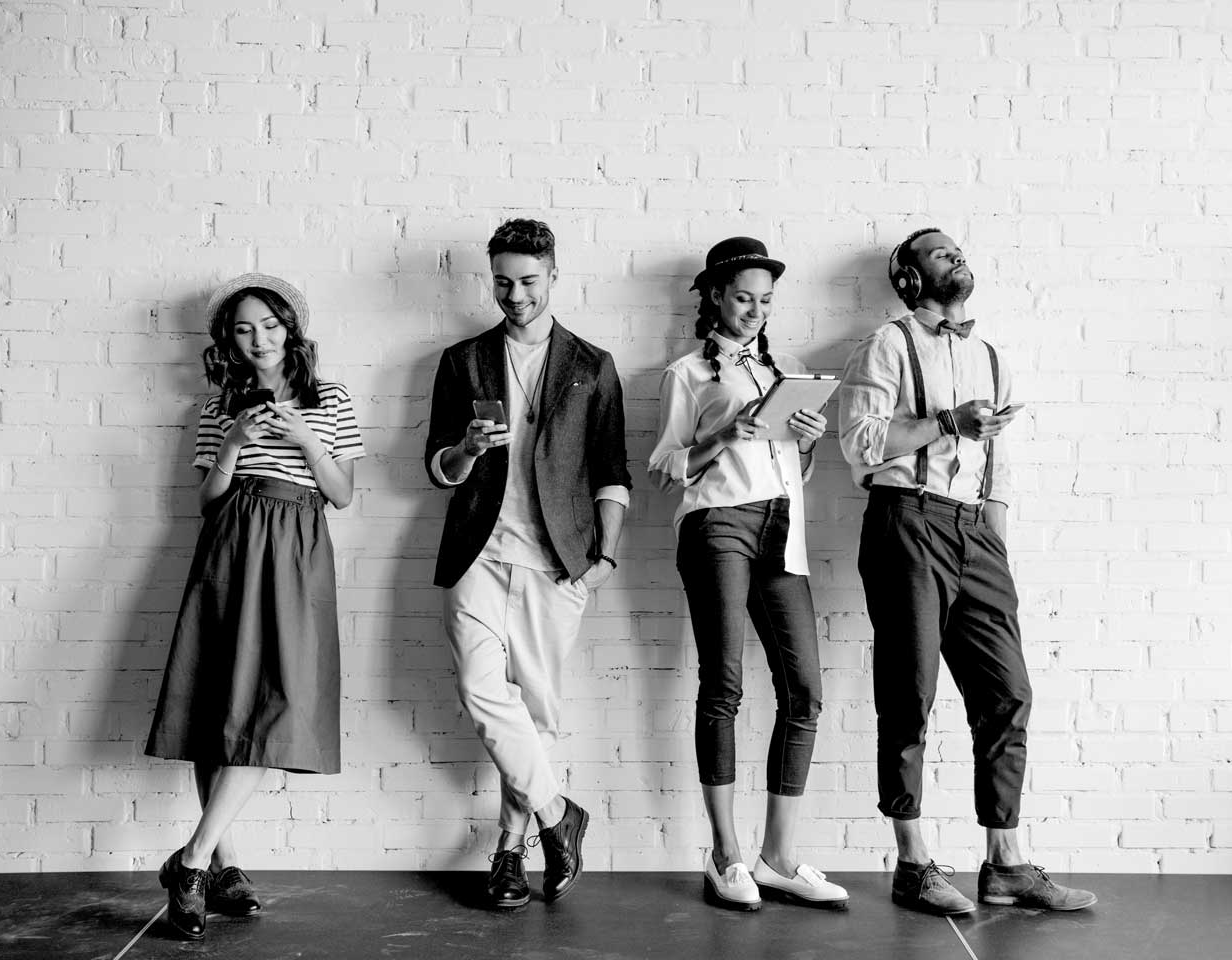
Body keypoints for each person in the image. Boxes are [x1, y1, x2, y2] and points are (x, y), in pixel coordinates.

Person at [839, 228, 1096, 915]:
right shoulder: (887, 345)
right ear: (909, 278)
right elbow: (861, 444)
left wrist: (995, 545)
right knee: (909, 692)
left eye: (959, 250)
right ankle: (912, 861)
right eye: (939, 252)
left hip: (976, 529)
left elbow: (999, 464)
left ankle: (1006, 864)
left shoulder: (990, 357)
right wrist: (947, 421)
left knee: (1007, 692)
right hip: (906, 519)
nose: (957, 257)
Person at [146, 274, 364, 940]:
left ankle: (190, 860)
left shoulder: (331, 398)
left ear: (290, 329)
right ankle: (222, 865)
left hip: (297, 551)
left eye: (269, 325)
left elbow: (342, 494)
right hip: (231, 545)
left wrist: (306, 439)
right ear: (229, 341)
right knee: (219, 701)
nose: (259, 339)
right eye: (244, 329)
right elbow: (206, 499)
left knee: (275, 699)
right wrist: (236, 441)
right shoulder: (220, 407)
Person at [424, 218, 631, 909]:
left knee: (534, 712)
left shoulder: (592, 364)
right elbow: (437, 468)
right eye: (503, 282)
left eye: (528, 282)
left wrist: (606, 555)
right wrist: (467, 449)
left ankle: (510, 854)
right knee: (483, 692)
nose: (514, 296)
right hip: (477, 553)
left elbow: (612, 470)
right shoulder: (463, 361)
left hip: (557, 560)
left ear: (554, 277)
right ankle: (558, 815)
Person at [649, 237, 848, 912]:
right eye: (743, 298)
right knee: (724, 685)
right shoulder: (686, 373)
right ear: (714, 296)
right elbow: (665, 467)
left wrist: (808, 442)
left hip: (782, 527)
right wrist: (721, 436)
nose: (756, 311)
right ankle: (726, 854)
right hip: (718, 524)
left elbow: (793, 469)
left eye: (765, 300)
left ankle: (778, 858)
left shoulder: (789, 372)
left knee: (805, 691)